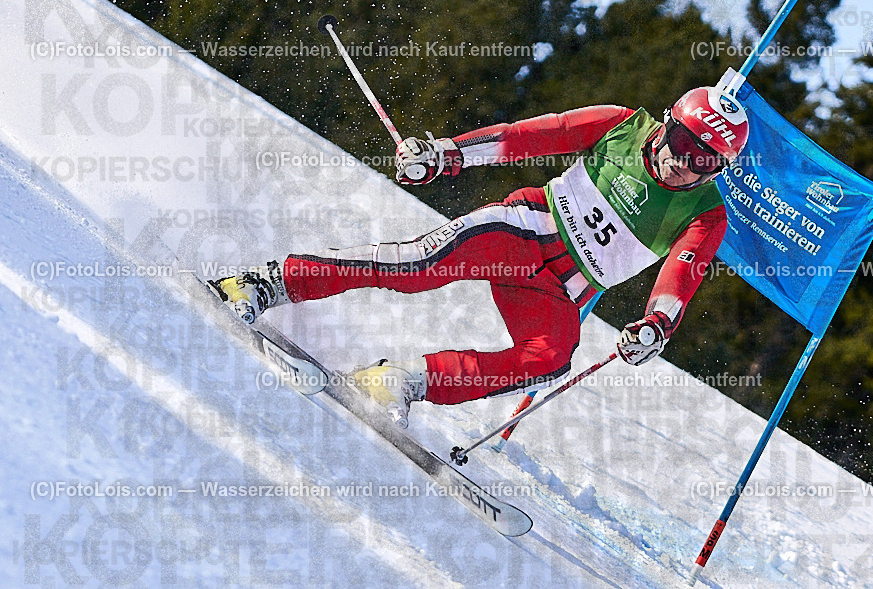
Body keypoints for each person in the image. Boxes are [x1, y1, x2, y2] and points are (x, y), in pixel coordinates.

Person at [210, 85, 749, 428]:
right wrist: (447, 155)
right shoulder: (621, 125)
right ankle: (265, 283)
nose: (686, 164)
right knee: (416, 268)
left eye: (707, 161)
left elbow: (683, 272)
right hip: (523, 233)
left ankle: (399, 381)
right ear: (668, 123)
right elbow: (532, 137)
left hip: (561, 290)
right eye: (684, 142)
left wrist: (656, 326)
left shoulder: (708, 212)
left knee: (550, 358)